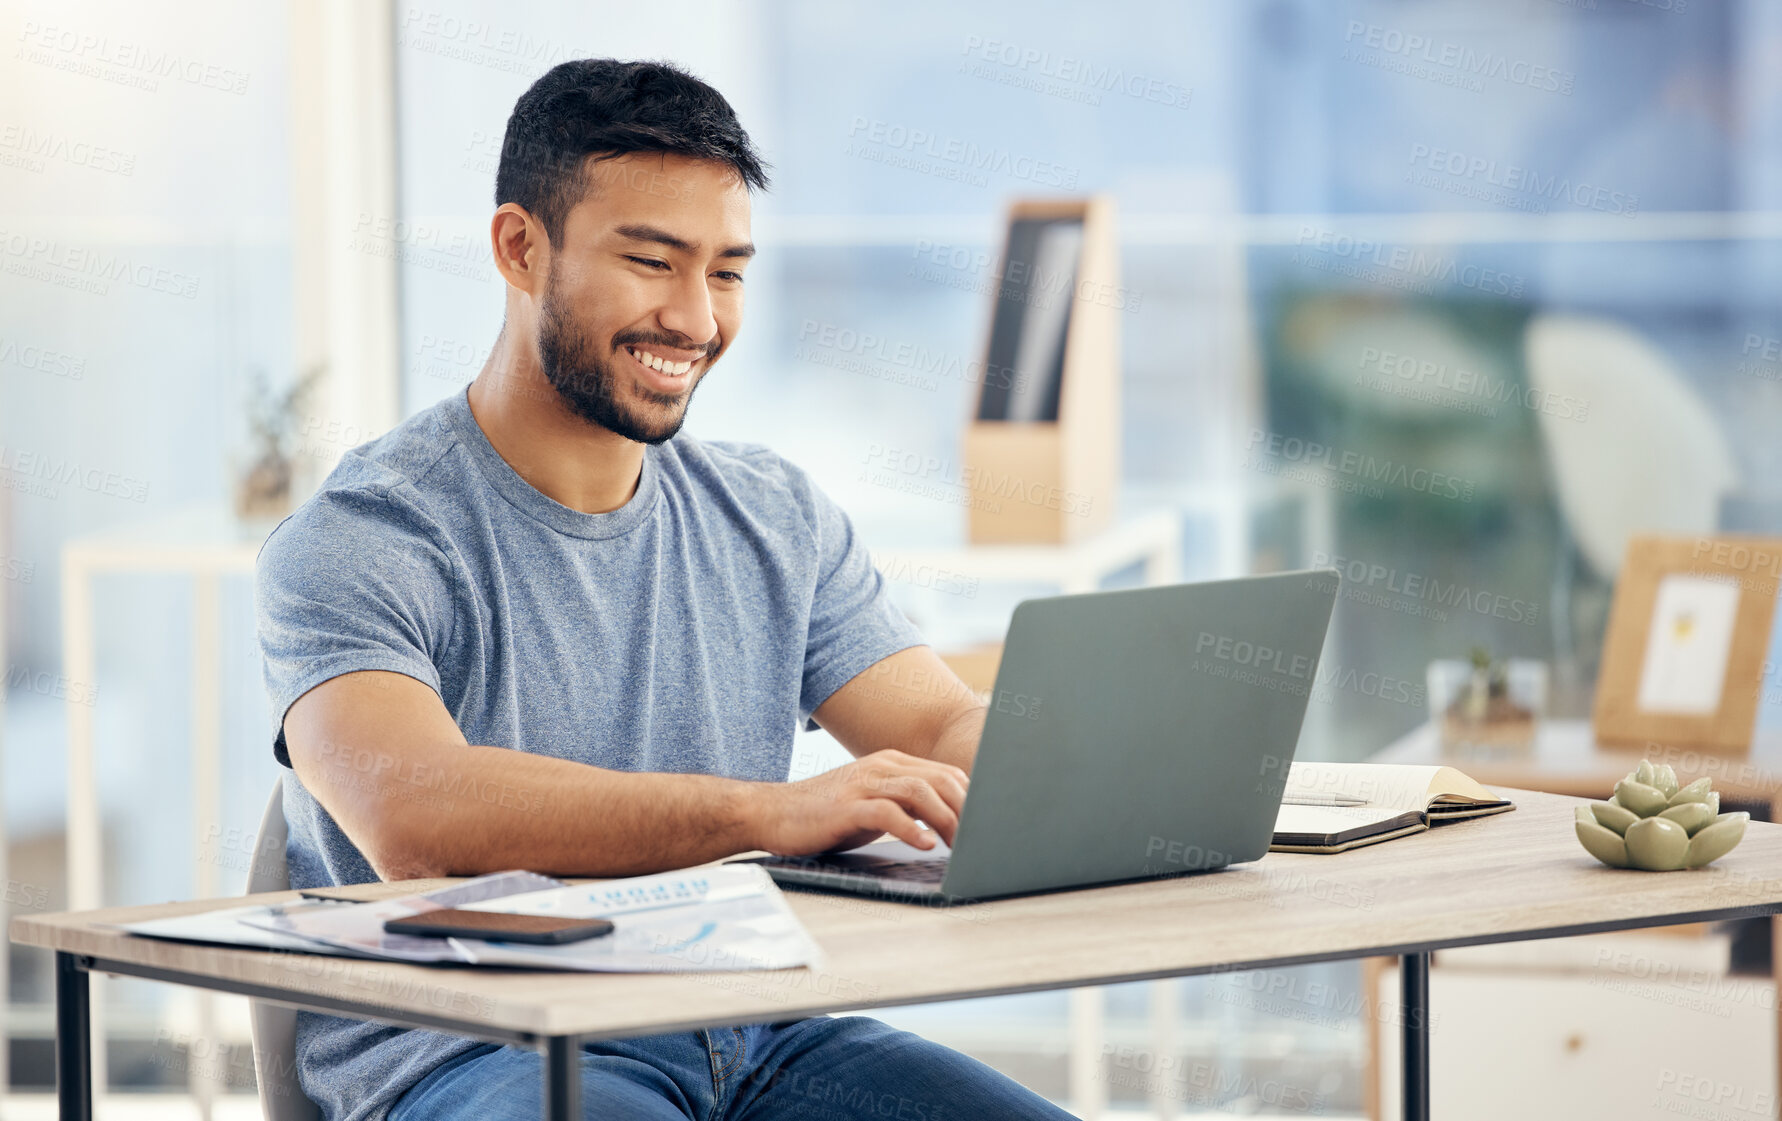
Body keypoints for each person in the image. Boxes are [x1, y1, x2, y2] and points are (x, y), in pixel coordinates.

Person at [255, 57, 1076, 1121]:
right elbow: (416, 813)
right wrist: (774, 813)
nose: (695, 318)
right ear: (518, 246)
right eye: (653, 261)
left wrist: (1099, 782)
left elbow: (935, 720)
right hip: (484, 1052)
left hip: (762, 1031)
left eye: (728, 272)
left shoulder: (774, 514)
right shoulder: (366, 532)